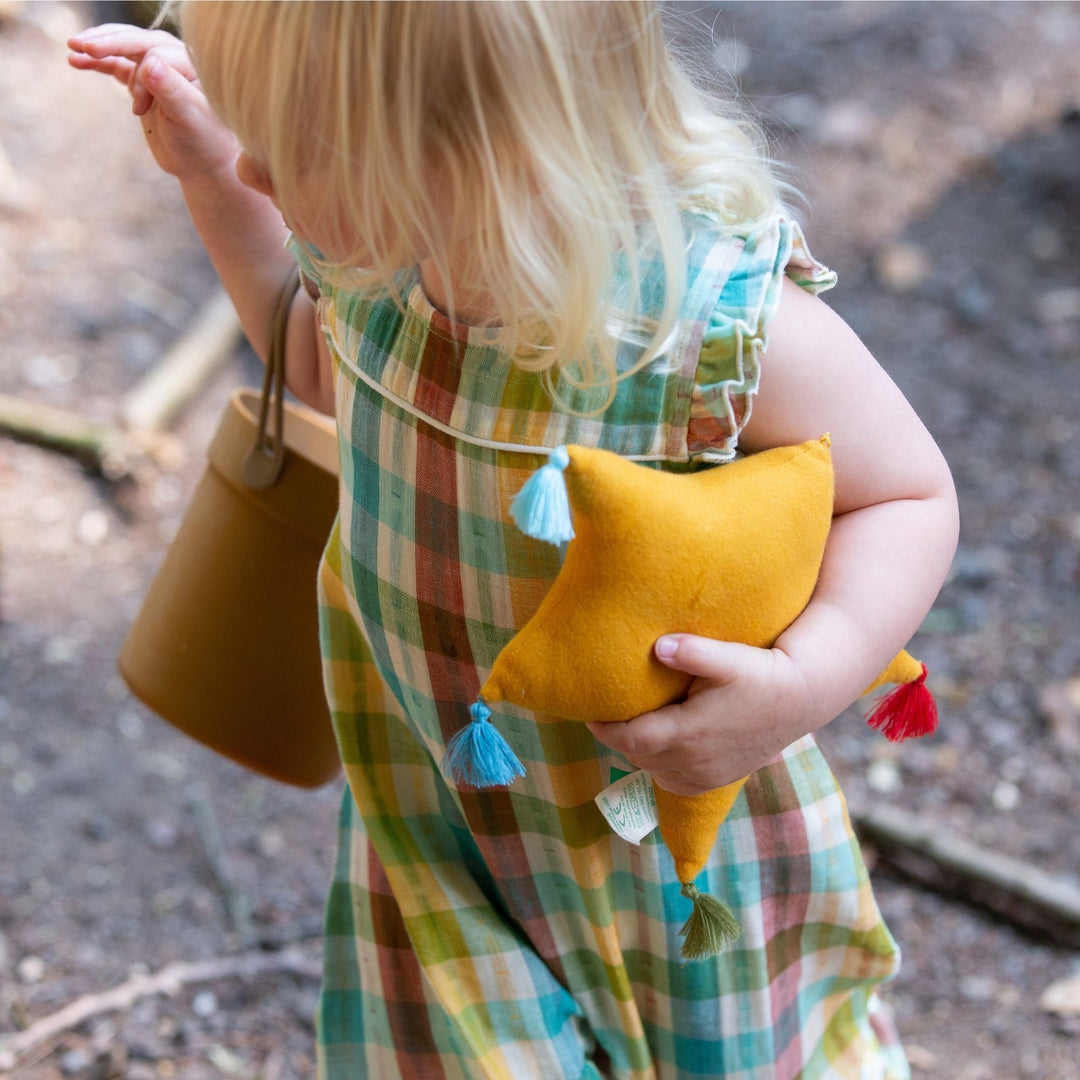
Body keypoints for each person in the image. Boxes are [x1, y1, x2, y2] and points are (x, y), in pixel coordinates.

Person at [69, 4, 958, 1078]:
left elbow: (907, 496)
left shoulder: (705, 330)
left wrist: (799, 684)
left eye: (291, 147)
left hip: (657, 856)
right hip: (443, 827)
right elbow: (318, 372)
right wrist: (210, 178)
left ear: (462, 153)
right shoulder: (382, 270)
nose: (260, 170)